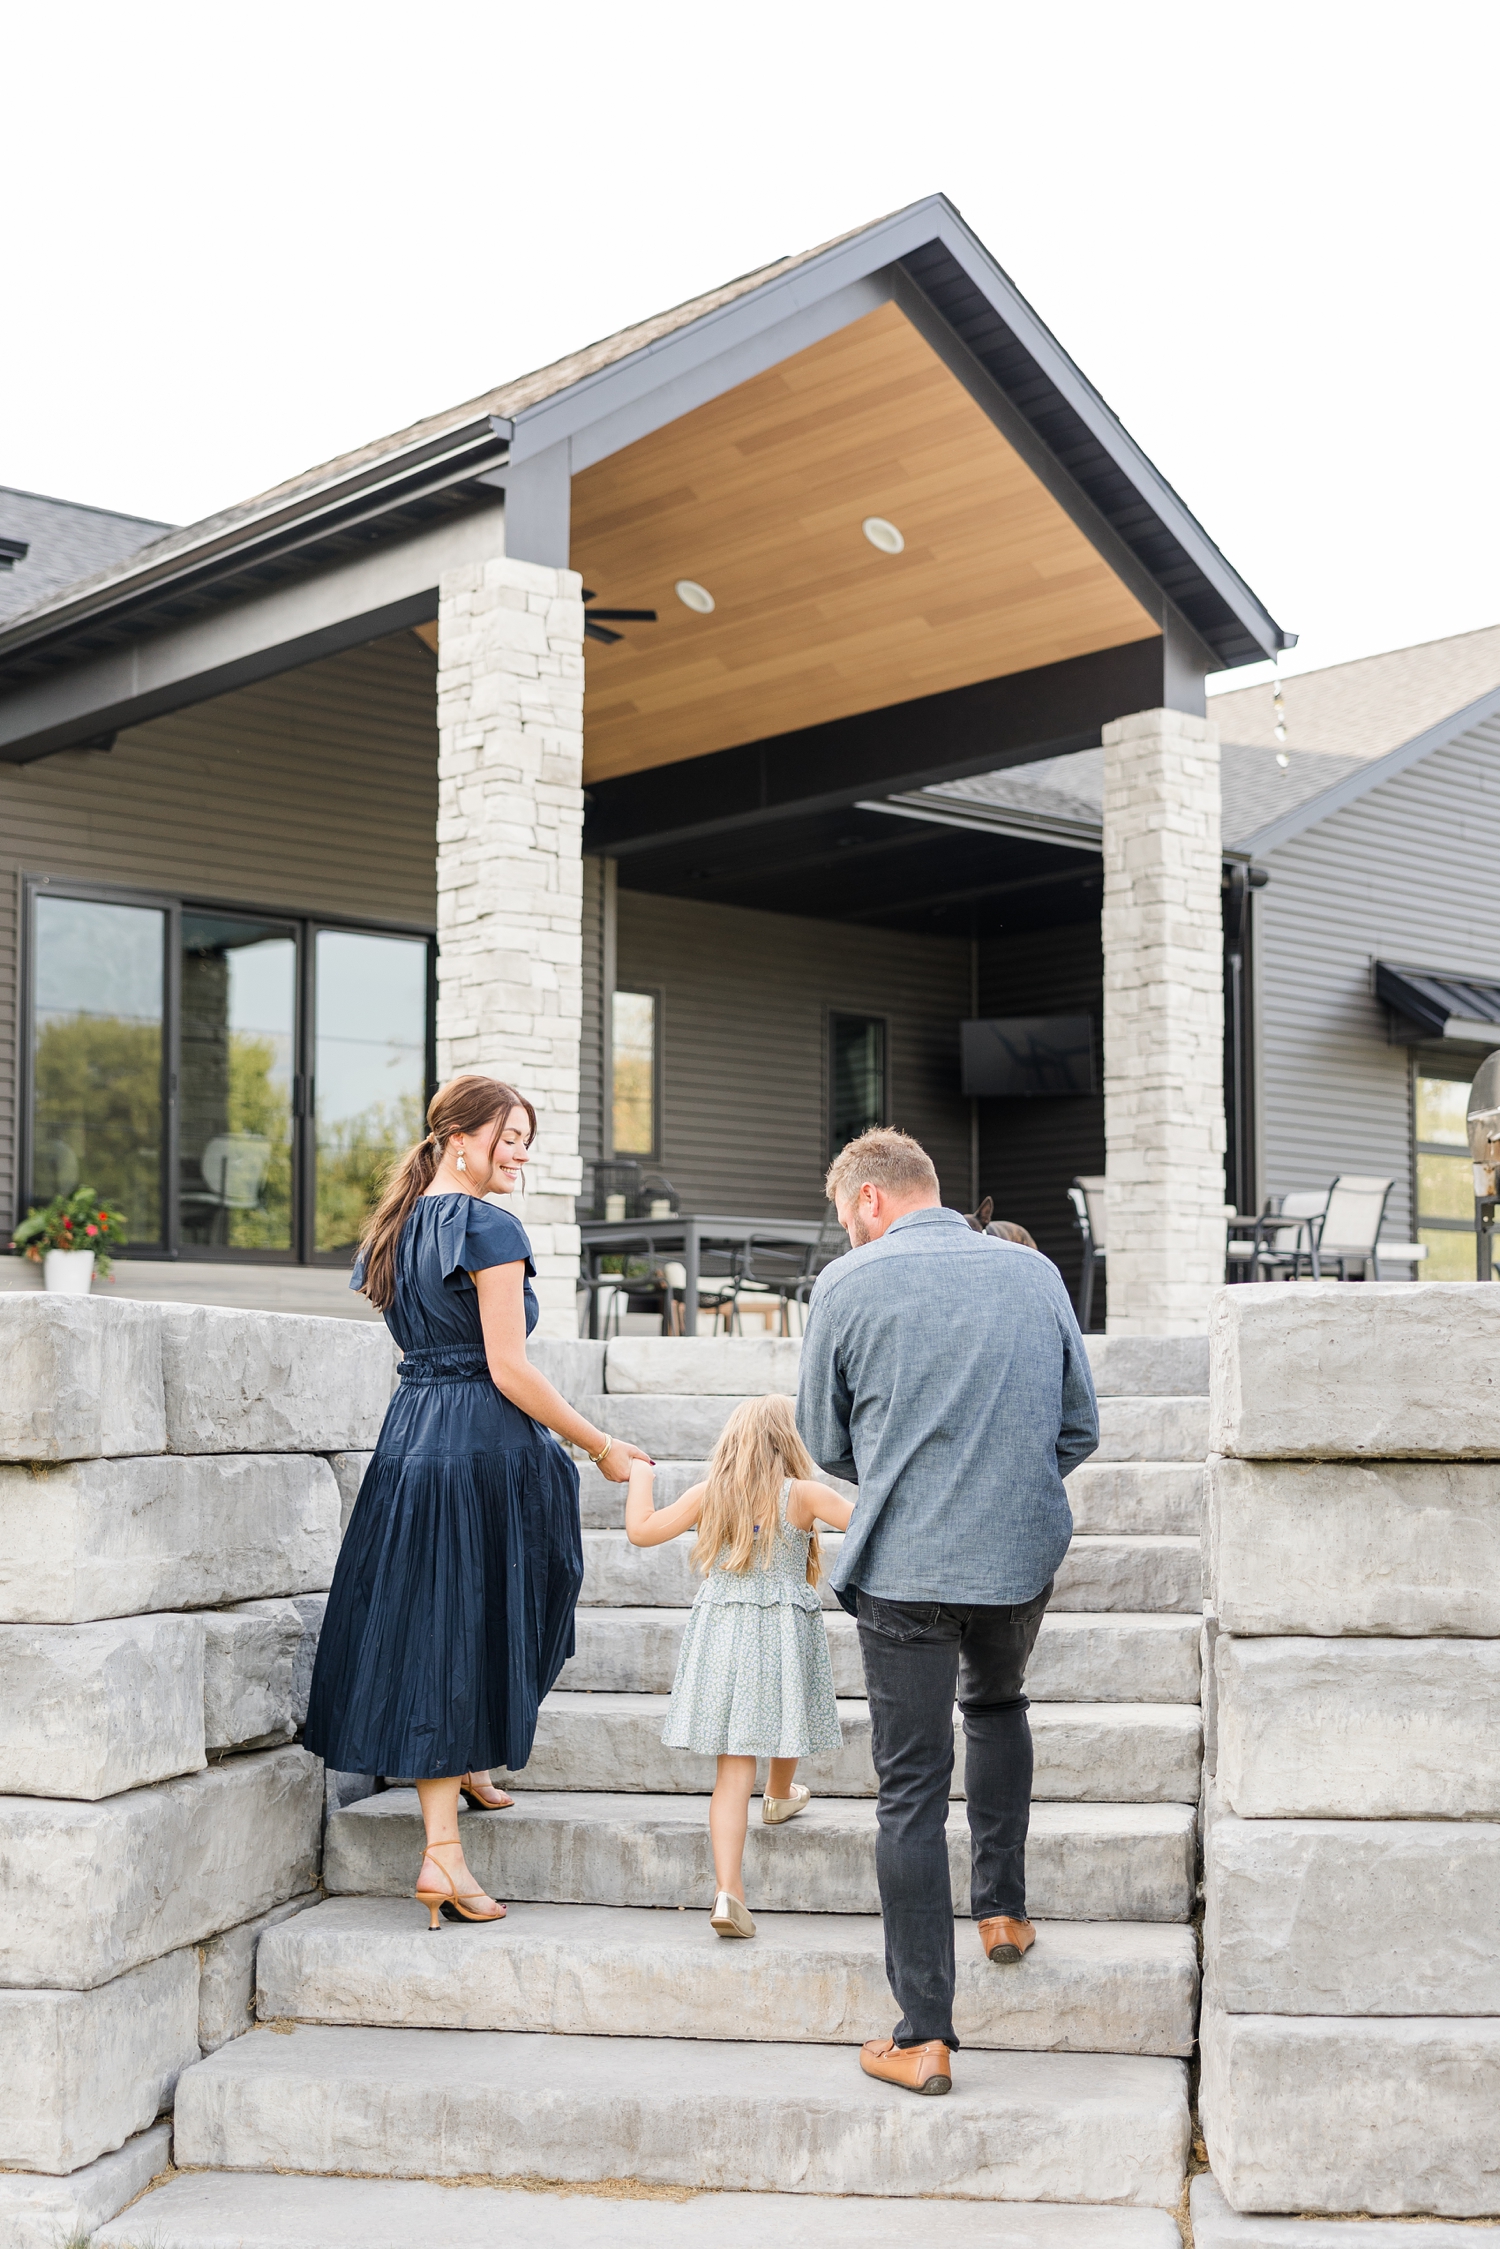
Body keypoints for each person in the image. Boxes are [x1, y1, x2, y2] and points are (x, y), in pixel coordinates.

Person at [304, 1073, 650, 1929]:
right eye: (509, 1135)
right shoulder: (489, 1226)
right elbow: (510, 1367)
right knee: (516, 1595)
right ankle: (443, 1852)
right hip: (482, 1441)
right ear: (459, 1137)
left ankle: (465, 1766)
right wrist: (601, 1444)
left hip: (413, 1434)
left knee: (438, 1617)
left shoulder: (398, 1222)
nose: (520, 1152)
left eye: (527, 1137)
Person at [796, 1127, 1098, 2096]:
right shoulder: (1034, 1271)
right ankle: (1003, 1908)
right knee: (999, 1704)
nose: (849, 1236)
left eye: (849, 1218)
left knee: (911, 1790)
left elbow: (824, 1440)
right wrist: (1002, 1489)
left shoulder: (848, 1285)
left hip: (904, 1563)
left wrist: (913, 1480)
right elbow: (1079, 1423)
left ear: (873, 1200)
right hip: (1016, 1554)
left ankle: (923, 2032)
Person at [624, 1395, 853, 1938]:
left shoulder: (711, 1495)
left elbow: (642, 1531)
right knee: (786, 1709)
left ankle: (729, 1893)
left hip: (723, 1633)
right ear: (790, 1443)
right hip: (781, 1632)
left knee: (732, 1770)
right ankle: (778, 1795)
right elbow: (871, 1525)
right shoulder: (805, 1495)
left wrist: (639, 1473)